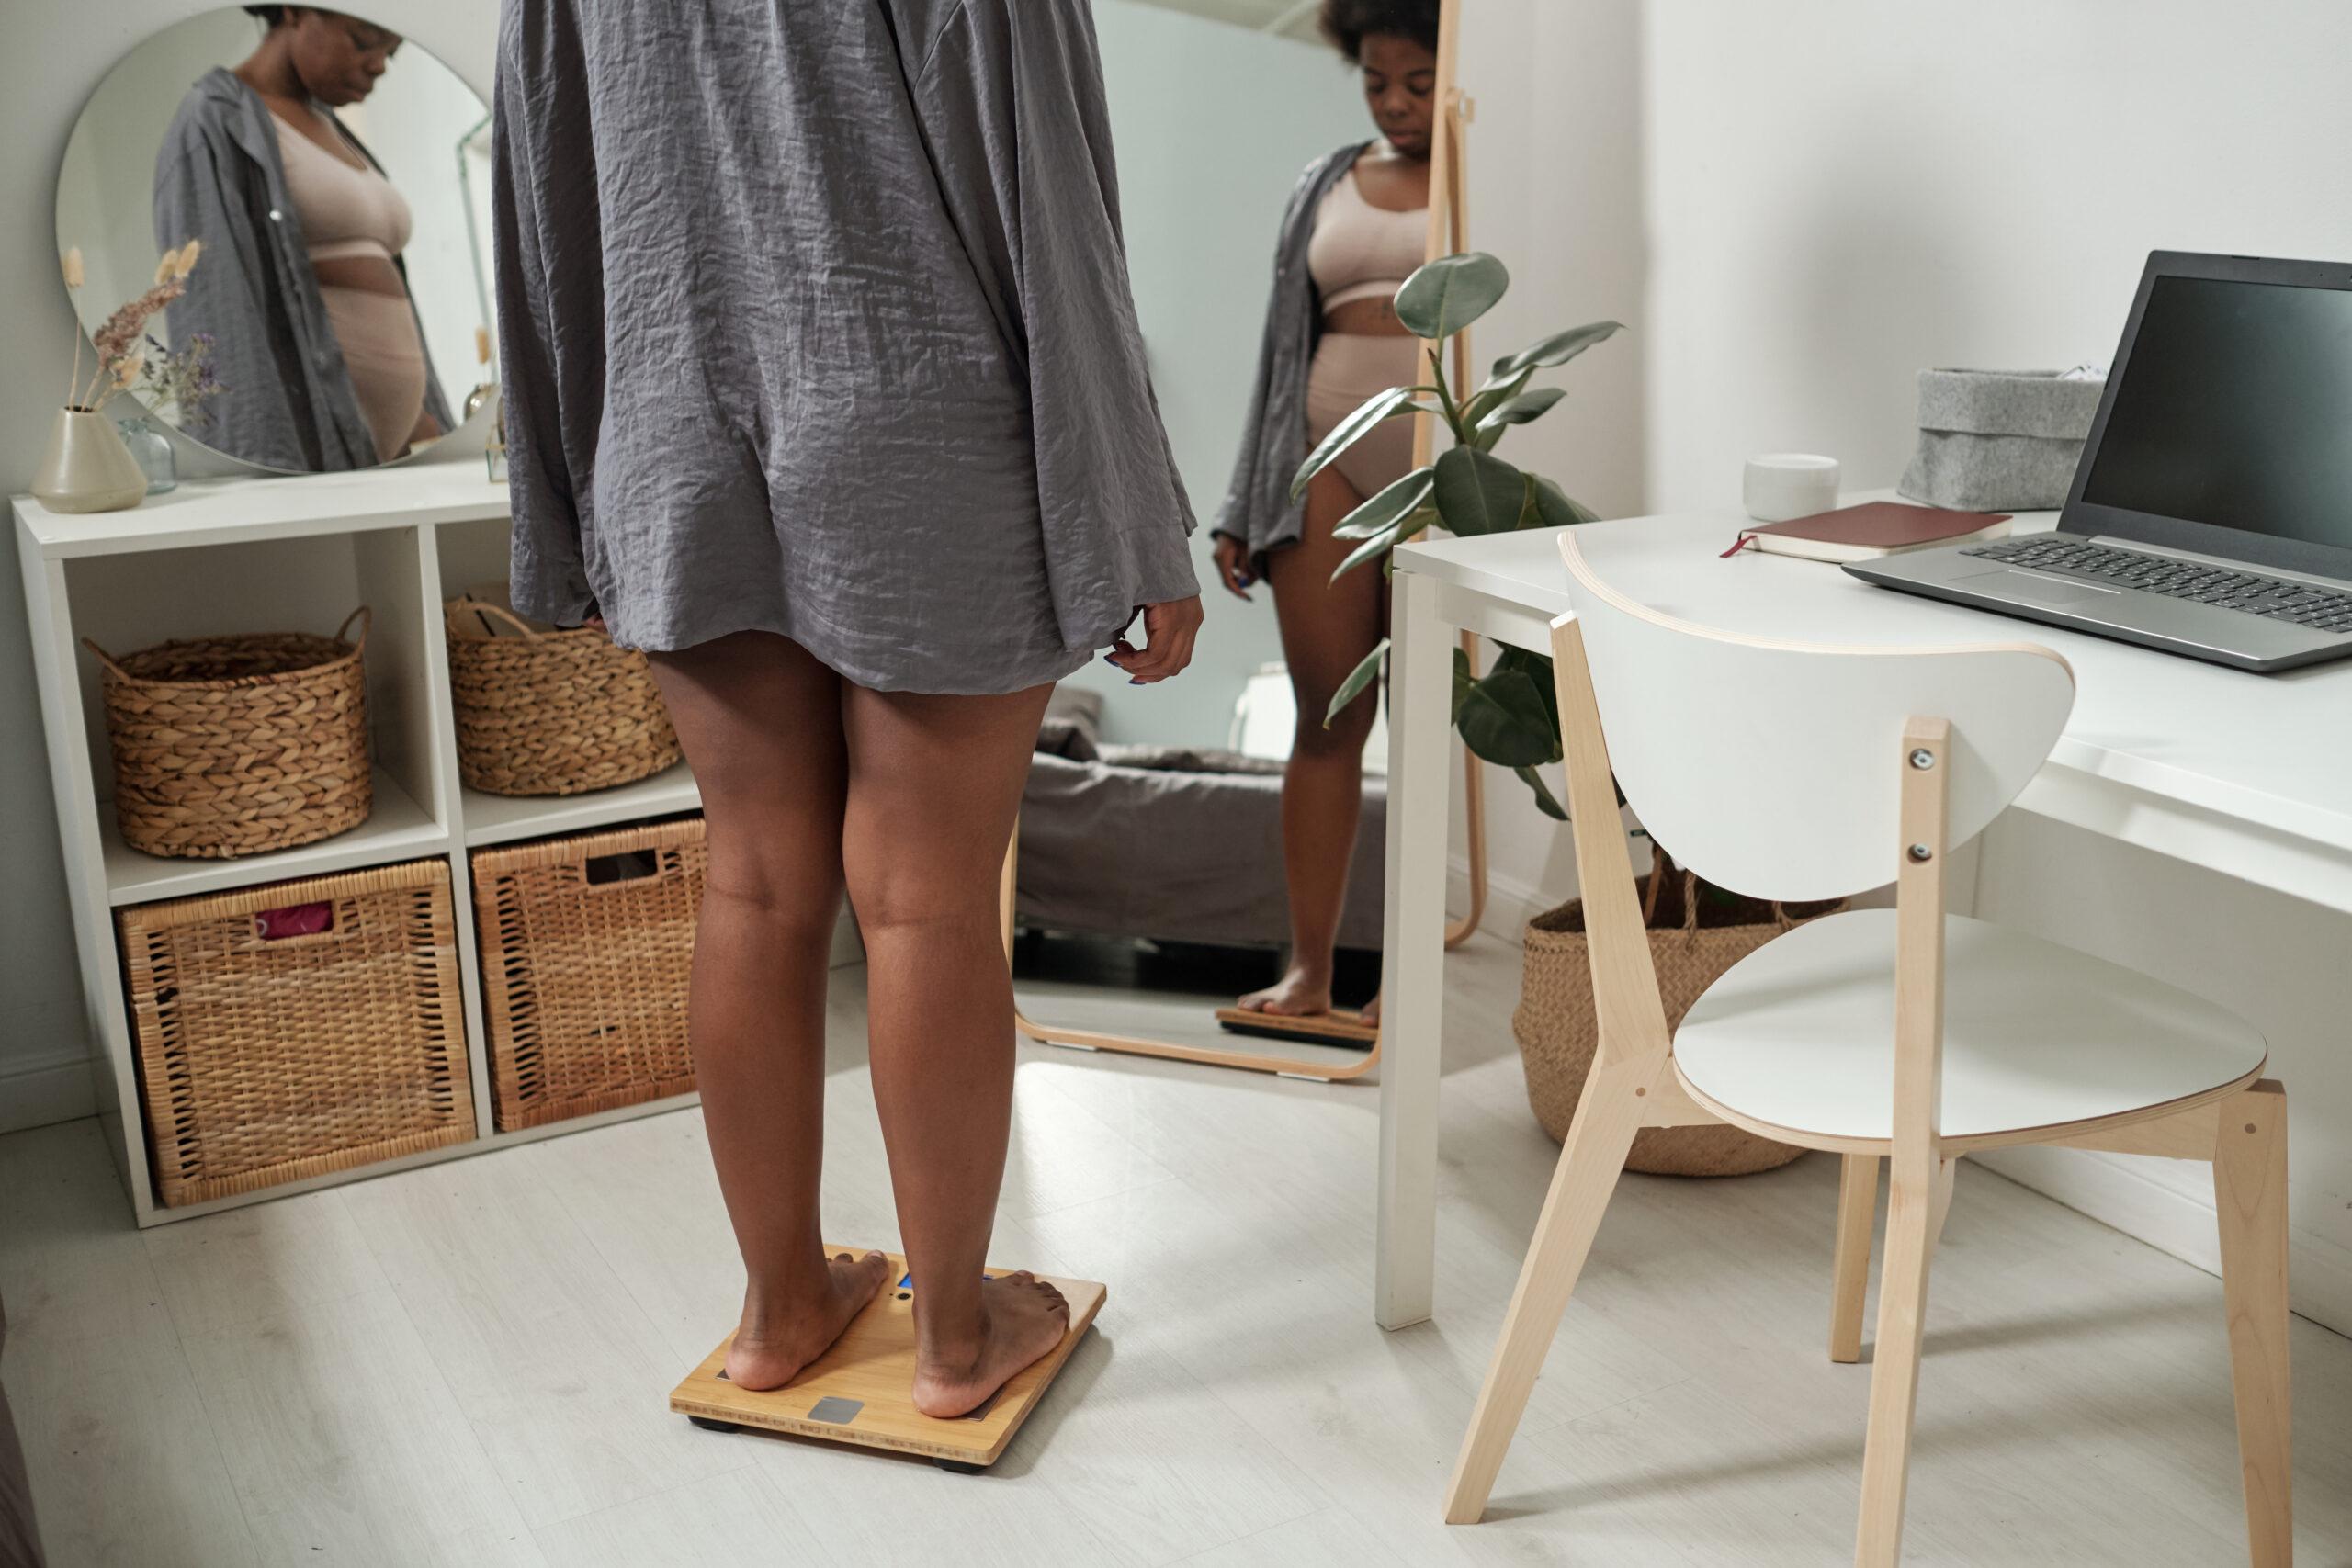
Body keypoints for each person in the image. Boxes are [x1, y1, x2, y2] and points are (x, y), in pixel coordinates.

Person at [492, 0, 1203, 1417]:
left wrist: (561, 507)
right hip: (920, 417)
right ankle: (953, 1338)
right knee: (928, 899)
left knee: (752, 885)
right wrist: (1136, 521)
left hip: (670, 423)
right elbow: (1043, 200)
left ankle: (779, 1308)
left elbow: (544, 205)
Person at [1211, 0, 1439, 1027]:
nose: (1393, 104)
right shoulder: (1324, 182)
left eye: (1417, 84)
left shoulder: (1497, 176)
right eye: (1375, 82)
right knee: (1329, 717)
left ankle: (1420, 989)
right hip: (1323, 464)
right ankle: (1309, 976)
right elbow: (1277, 351)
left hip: (1451, 470)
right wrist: (1240, 504)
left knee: (1440, 732)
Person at [155, 6, 452, 470]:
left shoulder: (334, 127)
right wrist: (258, 464)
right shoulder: (214, 119)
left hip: (406, 437)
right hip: (312, 438)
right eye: (363, 39)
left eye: (390, 53)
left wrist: (421, 412)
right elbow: (215, 310)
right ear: (295, 11)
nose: (378, 65)